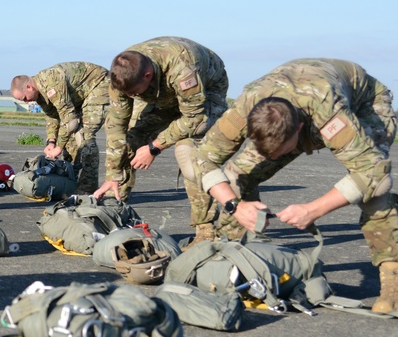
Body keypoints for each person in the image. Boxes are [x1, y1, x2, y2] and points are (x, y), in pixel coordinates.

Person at [183, 59, 398, 313]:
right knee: (237, 176)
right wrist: (235, 206)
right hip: (290, 107)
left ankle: (393, 281)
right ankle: (239, 258)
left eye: (279, 151)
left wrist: (313, 210)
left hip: (363, 105)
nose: (272, 158)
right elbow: (201, 159)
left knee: (374, 192)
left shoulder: (325, 108)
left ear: (298, 130)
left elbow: (374, 173)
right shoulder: (245, 107)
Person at [92, 36, 229, 241]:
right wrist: (112, 175)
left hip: (206, 92)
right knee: (132, 137)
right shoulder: (121, 76)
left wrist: (154, 147)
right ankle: (113, 210)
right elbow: (116, 126)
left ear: (147, 75)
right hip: (163, 94)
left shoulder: (183, 70)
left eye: (133, 93)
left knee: (189, 150)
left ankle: (206, 232)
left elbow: (194, 118)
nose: (129, 97)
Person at [10, 62, 109, 193]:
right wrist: (51, 141)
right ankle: (70, 182)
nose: (26, 102)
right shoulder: (38, 93)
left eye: (25, 99)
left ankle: (87, 188)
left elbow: (70, 121)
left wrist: (59, 147)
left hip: (99, 85)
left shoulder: (52, 81)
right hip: (80, 97)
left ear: (29, 87)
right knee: (71, 141)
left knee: (85, 136)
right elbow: (53, 116)